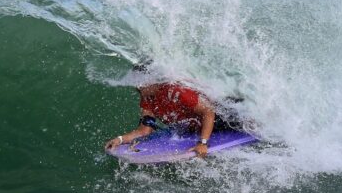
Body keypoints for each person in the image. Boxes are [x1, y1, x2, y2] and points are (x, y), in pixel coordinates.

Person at [104, 67, 242, 158]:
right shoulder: (147, 100)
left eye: (141, 82)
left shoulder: (175, 90)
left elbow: (209, 111)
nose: (137, 87)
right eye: (136, 82)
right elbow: (144, 131)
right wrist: (120, 139)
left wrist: (203, 143)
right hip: (196, 127)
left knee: (247, 121)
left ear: (152, 81)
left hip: (221, 117)